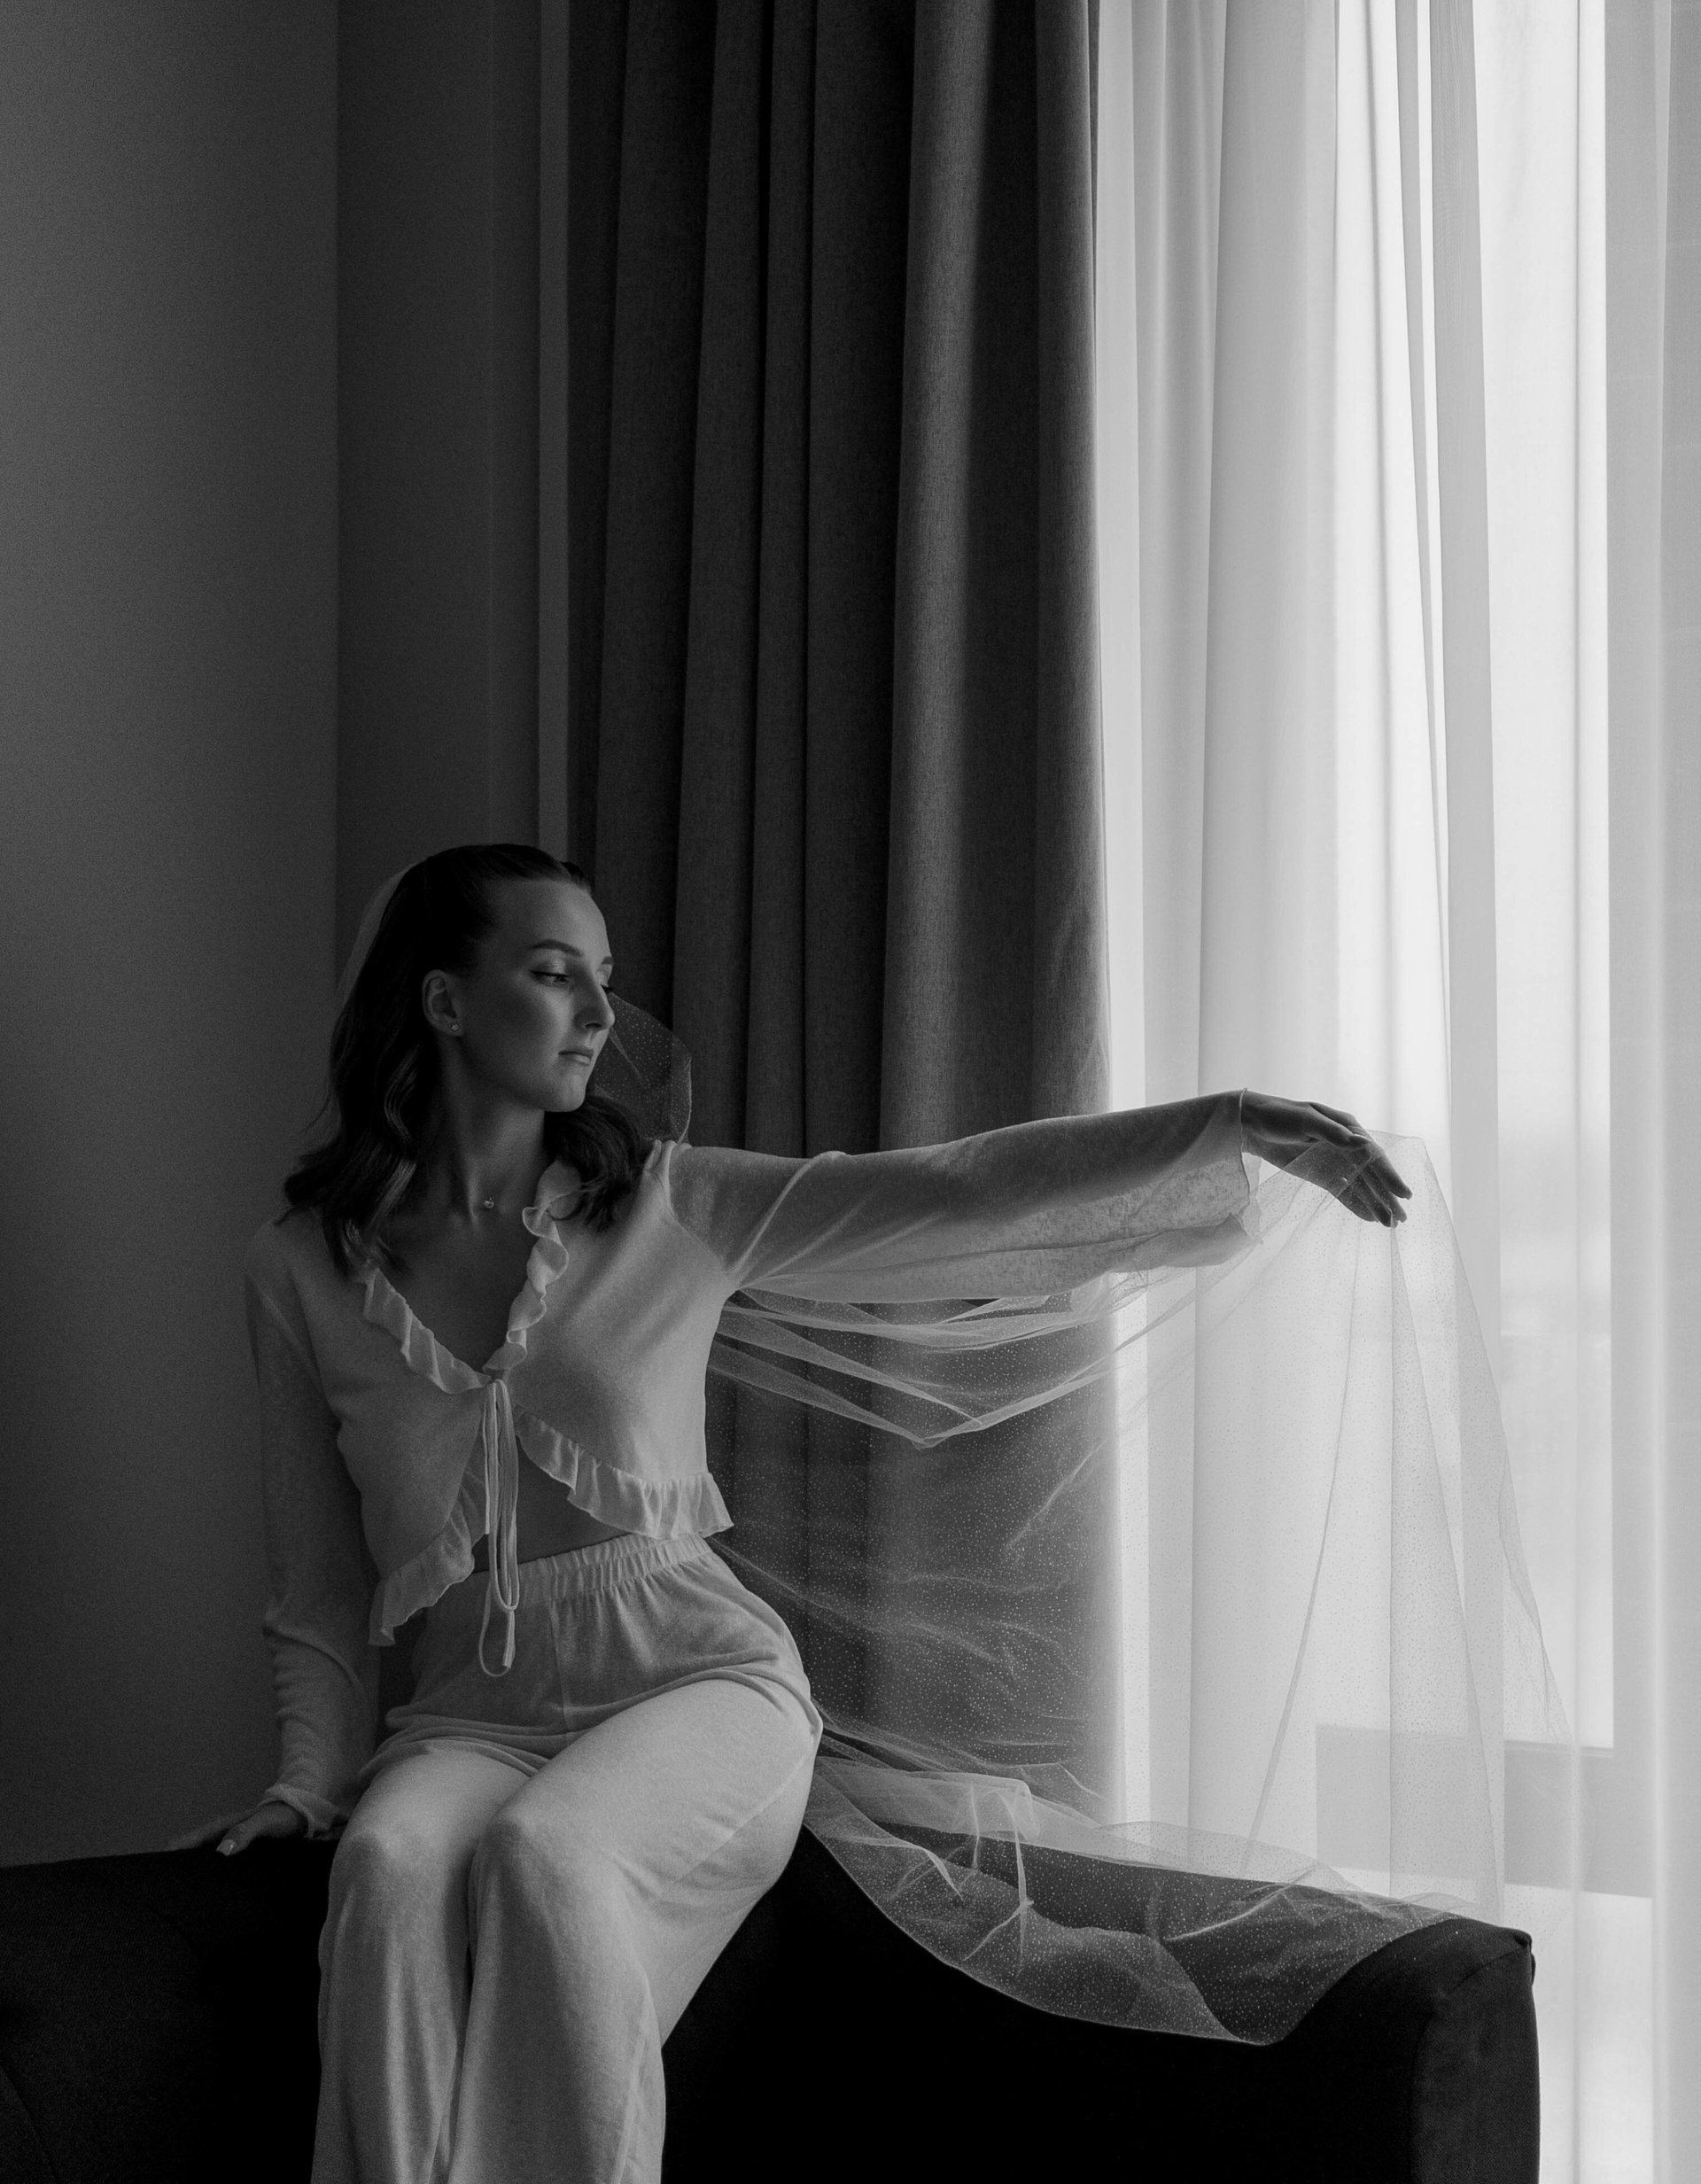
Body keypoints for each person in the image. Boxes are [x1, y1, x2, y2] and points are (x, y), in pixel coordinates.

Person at [179, 842, 1410, 2183]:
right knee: (382, 1871)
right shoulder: (300, 1270)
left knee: (548, 1861)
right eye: (554, 975)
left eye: (602, 979)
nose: (598, 1014)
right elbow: (316, 1582)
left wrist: (1224, 1131)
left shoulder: (671, 1205)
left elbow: (951, 1189)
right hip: (471, 1712)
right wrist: (308, 1784)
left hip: (694, 1686)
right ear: (445, 1002)